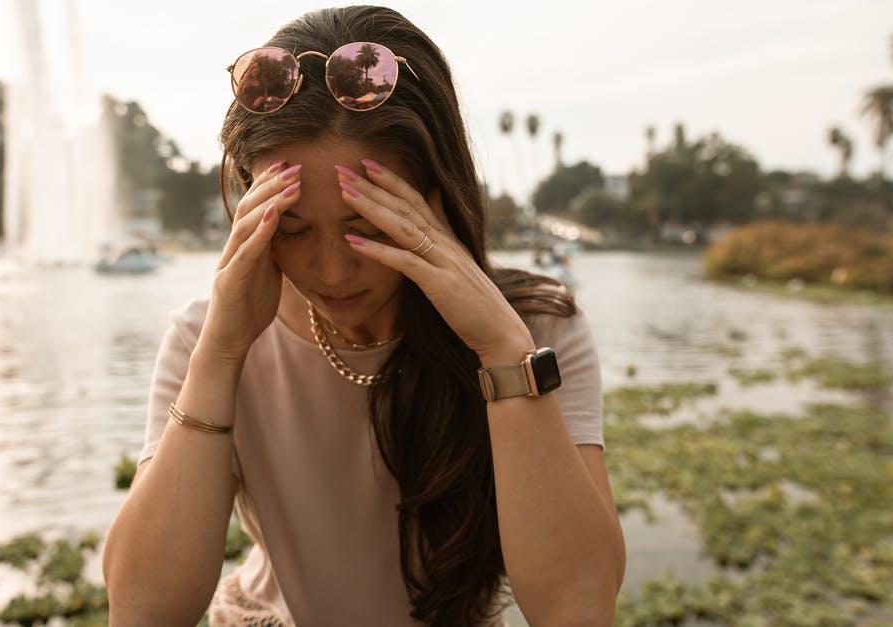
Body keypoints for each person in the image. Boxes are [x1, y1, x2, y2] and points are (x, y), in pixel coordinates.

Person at [102, 7, 625, 626]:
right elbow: (141, 613)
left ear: (438, 196)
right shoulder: (207, 337)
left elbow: (579, 611)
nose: (331, 271)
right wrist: (219, 357)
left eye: (366, 226)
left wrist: (502, 353)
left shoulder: (536, 331)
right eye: (291, 229)